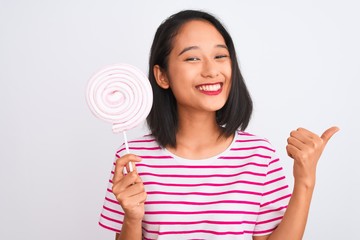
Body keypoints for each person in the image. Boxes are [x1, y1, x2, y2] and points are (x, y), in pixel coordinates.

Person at [98, 10, 339, 240]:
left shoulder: (259, 155)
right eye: (192, 58)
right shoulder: (132, 159)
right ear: (162, 76)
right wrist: (131, 218)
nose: (212, 70)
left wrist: (305, 180)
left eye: (220, 56)